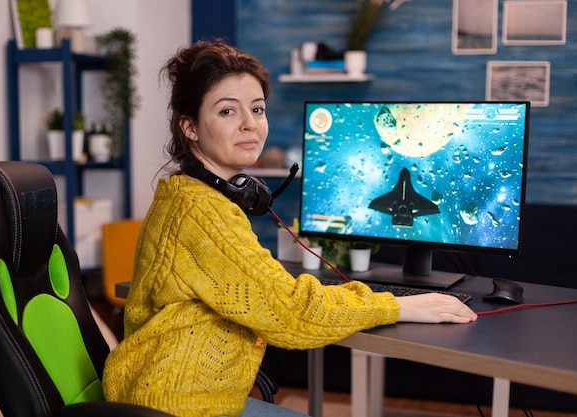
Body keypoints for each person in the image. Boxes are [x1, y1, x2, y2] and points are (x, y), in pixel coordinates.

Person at [102, 39, 477, 417]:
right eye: (228, 111)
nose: (250, 123)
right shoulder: (202, 213)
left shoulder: (184, 196)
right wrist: (399, 305)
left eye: (258, 109)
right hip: (178, 405)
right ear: (191, 127)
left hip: (172, 394)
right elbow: (293, 313)